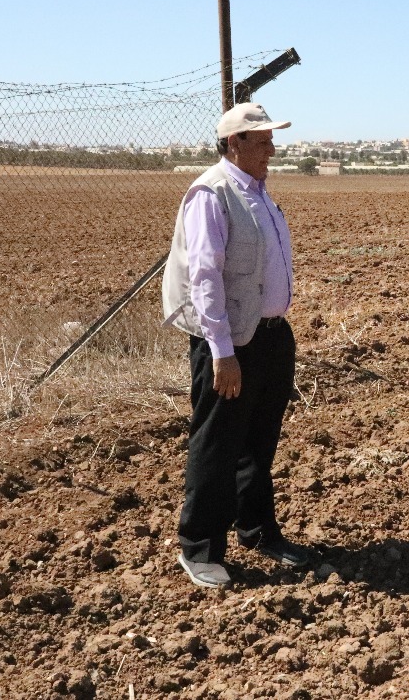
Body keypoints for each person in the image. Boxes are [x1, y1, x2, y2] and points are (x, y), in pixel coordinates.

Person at [162, 101, 312, 588]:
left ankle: (258, 530)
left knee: (259, 442)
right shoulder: (212, 194)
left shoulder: (258, 193)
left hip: (270, 336)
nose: (272, 149)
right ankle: (200, 547)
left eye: (271, 139)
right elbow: (205, 277)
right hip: (229, 343)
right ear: (234, 143)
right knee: (217, 443)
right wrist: (222, 351)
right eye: (262, 140)